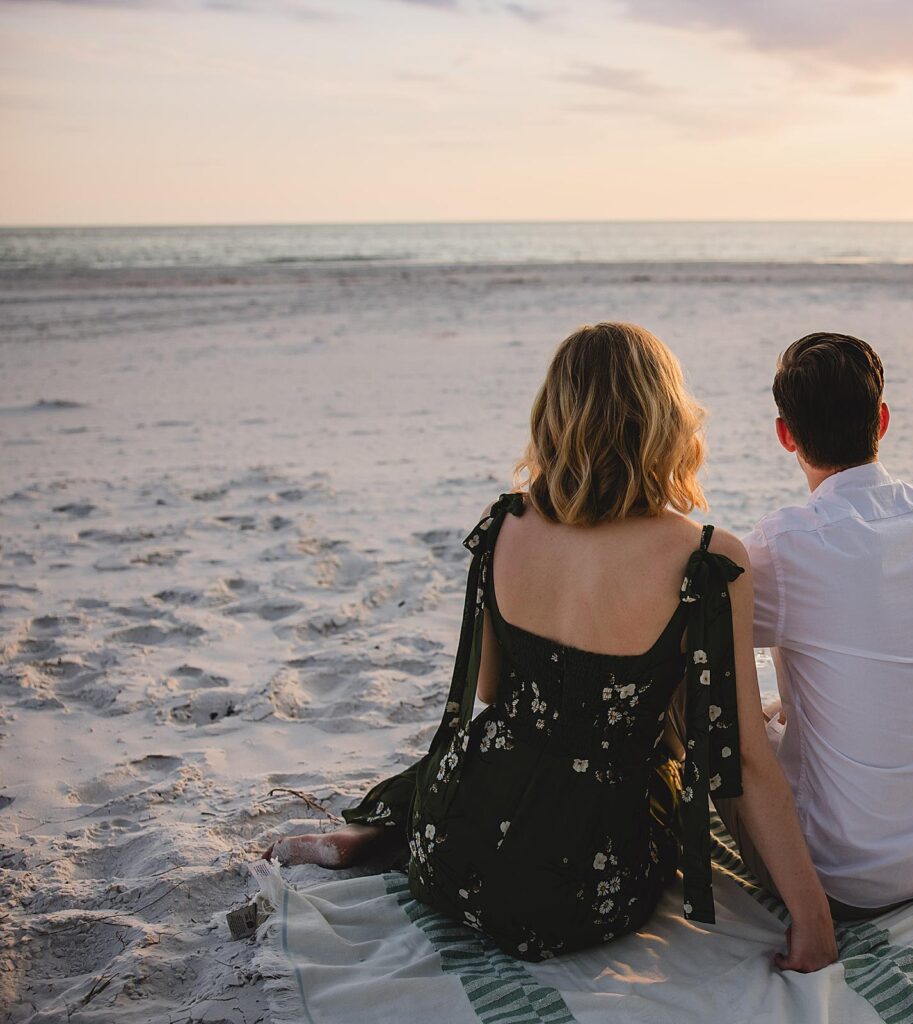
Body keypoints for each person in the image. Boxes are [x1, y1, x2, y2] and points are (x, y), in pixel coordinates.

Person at [266, 322, 837, 971]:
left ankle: (373, 834)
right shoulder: (707, 559)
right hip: (586, 887)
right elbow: (742, 764)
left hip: (453, 852)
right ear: (668, 419)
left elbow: (487, 693)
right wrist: (812, 919)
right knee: (664, 759)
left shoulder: (506, 521)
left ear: (553, 416)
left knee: (490, 747)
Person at [719, 332, 913, 920]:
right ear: (883, 419)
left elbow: (706, 644)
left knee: (703, 681)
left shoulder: (786, 542)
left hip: (848, 879)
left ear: (785, 435)